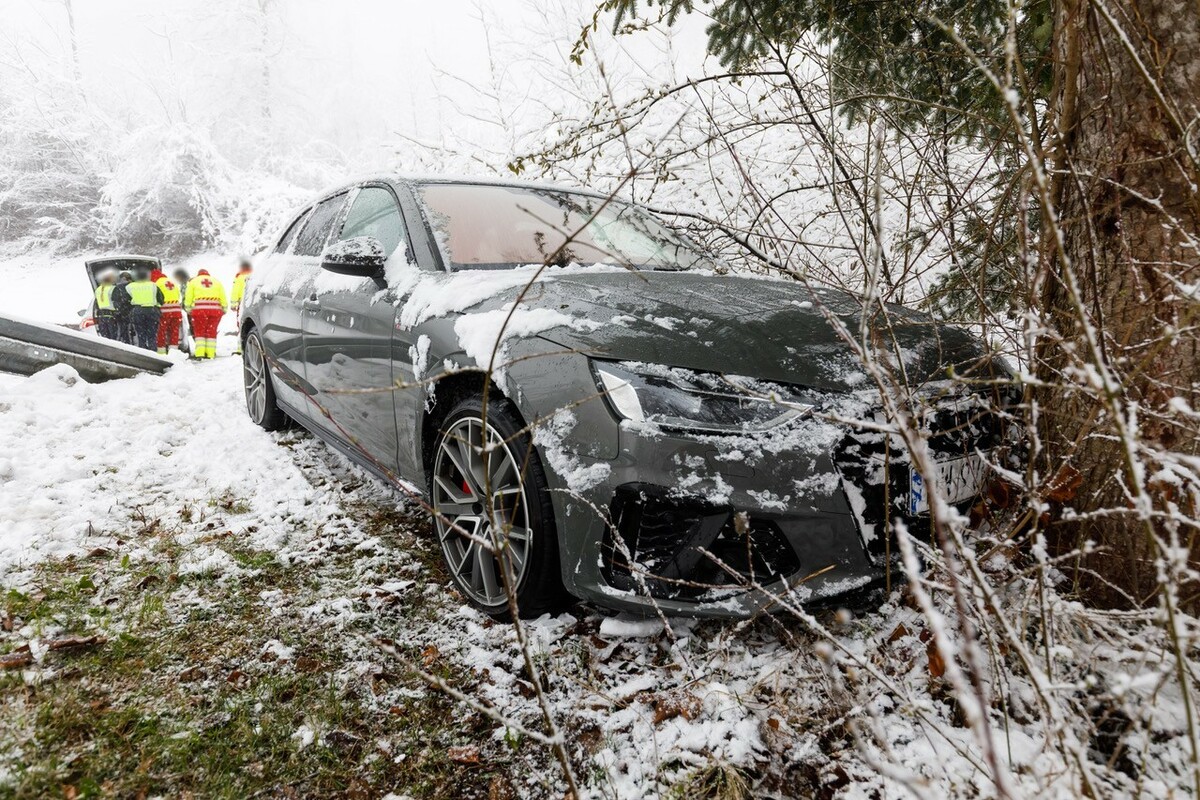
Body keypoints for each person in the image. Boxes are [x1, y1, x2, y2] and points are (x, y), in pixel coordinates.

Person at [183, 269, 227, 359]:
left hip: (199, 310)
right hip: (215, 311)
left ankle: (200, 354)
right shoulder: (216, 282)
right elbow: (223, 296)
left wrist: (188, 308)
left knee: (200, 332)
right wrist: (224, 308)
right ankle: (210, 354)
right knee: (211, 332)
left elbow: (188, 296)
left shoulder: (193, 282)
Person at [126, 266, 165, 351]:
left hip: (138, 312)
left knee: (140, 335)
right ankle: (153, 354)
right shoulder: (153, 285)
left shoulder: (130, 286)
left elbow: (126, 300)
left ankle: (143, 354)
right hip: (152, 311)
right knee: (152, 335)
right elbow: (161, 299)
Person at [152, 268, 183, 354]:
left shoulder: (156, 284)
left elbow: (155, 298)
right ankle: (173, 352)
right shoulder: (172, 282)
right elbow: (178, 295)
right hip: (176, 311)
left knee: (161, 332)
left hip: (164, 311)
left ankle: (161, 352)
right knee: (174, 332)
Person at [230, 258, 252, 355]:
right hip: (251, 302)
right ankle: (250, 347)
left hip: (242, 303)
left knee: (241, 325)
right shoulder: (254, 275)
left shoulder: (239, 277)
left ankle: (241, 349)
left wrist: (233, 304)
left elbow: (236, 291)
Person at [93, 269, 118, 341]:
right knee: (113, 337)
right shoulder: (113, 288)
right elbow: (117, 301)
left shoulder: (98, 289)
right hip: (111, 315)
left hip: (101, 316)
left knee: (105, 338)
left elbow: (97, 303)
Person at [111, 271, 134, 346]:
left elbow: (114, 300)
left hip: (121, 313)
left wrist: (118, 310)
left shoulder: (116, 288)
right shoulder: (133, 286)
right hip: (133, 312)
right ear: (129, 279)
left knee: (123, 331)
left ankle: (126, 344)